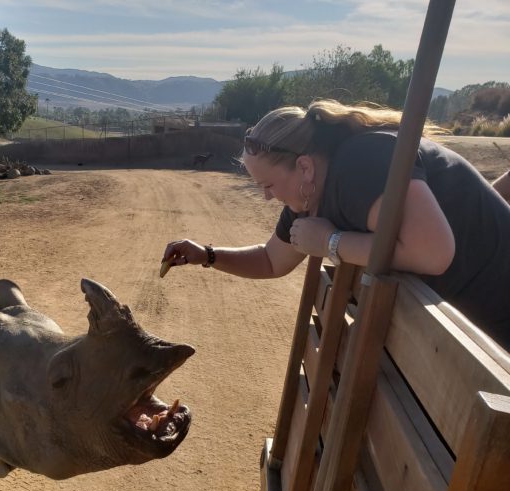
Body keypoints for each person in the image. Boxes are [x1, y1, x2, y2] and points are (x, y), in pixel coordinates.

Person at [163, 99, 510, 350]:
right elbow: (271, 260)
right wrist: (206, 254)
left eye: (268, 186)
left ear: (304, 167)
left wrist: (332, 242)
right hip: (473, 322)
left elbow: (433, 252)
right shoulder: (310, 197)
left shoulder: (361, 163)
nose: (268, 198)